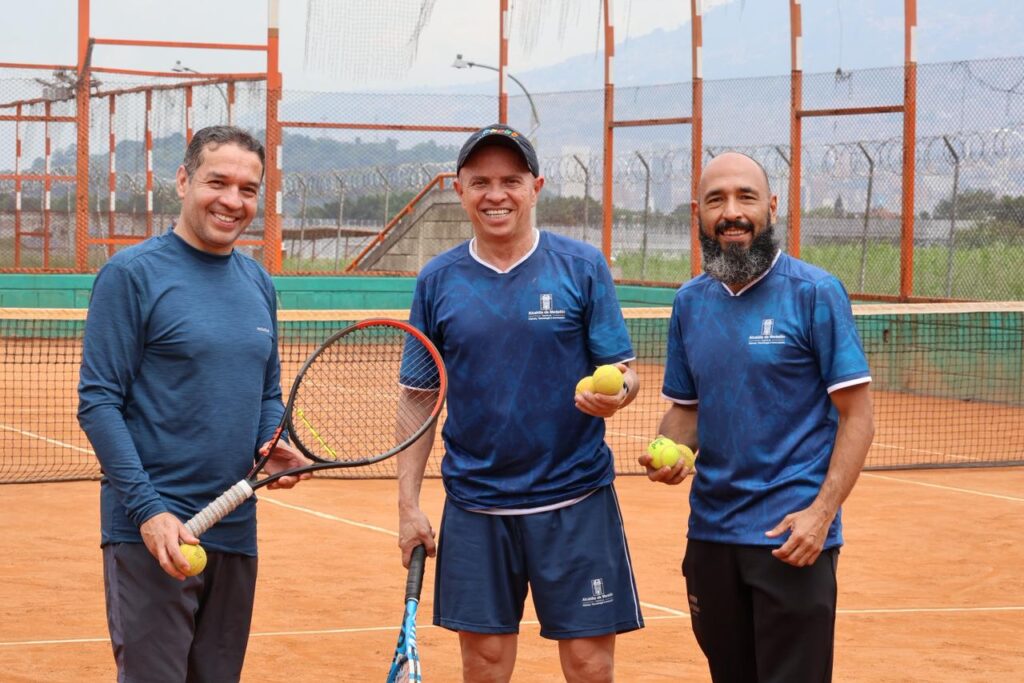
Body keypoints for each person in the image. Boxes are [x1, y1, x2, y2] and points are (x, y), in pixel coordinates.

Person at [398, 124, 644, 682]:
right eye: (480, 181)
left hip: (575, 499)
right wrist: (407, 505)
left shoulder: (582, 267)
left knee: (590, 664)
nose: (496, 194)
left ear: (536, 186)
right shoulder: (437, 281)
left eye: (511, 180)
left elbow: (625, 374)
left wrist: (618, 396)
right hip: (476, 504)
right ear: (458, 190)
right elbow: (418, 399)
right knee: (482, 665)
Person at [77, 125, 312, 683]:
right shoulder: (131, 275)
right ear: (183, 181)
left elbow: (266, 392)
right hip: (153, 533)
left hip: (235, 525)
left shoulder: (258, 282)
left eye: (248, 189)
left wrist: (274, 438)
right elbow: (98, 401)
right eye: (218, 182)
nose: (233, 201)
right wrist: (148, 512)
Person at [641, 151, 875, 682]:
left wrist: (820, 515)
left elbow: (857, 417)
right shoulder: (689, 303)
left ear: (770, 207)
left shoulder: (815, 293)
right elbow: (686, 410)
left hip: (790, 540)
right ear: (697, 213)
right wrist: (669, 454)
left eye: (746, 197)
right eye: (717, 200)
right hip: (711, 537)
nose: (732, 212)